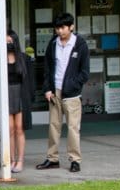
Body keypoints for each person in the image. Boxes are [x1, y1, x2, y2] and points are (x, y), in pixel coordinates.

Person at [36, 12, 90, 173]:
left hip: (72, 94)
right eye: (57, 28)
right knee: (53, 126)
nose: (60, 31)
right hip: (54, 92)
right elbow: (47, 68)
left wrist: (73, 85)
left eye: (63, 28)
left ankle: (75, 160)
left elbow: (85, 72)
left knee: (73, 128)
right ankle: (52, 159)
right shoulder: (53, 44)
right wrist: (47, 88)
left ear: (71, 27)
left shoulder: (80, 45)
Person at [0, 29, 35, 173]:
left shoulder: (25, 59)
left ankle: (20, 160)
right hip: (5, 96)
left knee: (19, 128)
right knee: (8, 129)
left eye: (11, 41)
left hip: (21, 95)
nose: (8, 44)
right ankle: (10, 159)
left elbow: (31, 82)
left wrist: (30, 99)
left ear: (15, 41)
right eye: (5, 42)